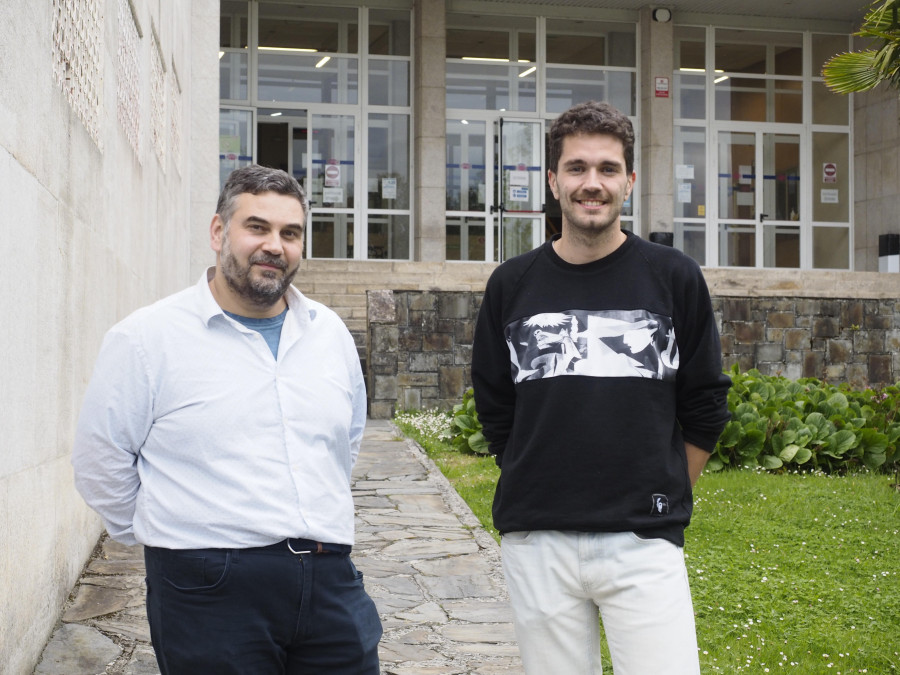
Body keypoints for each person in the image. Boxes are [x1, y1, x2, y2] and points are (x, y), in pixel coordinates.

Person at [72, 164, 382, 674]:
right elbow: (99, 460)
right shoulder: (147, 339)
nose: (274, 246)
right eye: (256, 227)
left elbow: (342, 445)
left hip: (329, 581)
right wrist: (175, 535)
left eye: (290, 233)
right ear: (219, 232)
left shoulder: (329, 333)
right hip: (206, 590)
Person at [471, 101, 732, 674]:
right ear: (553, 179)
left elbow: (706, 403)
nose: (593, 183)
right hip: (537, 542)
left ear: (630, 181)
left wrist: (660, 492)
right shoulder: (511, 284)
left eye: (608, 169)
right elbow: (496, 407)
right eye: (577, 167)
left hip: (643, 542)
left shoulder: (673, 277)